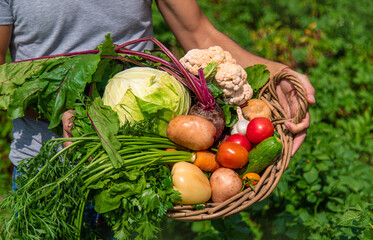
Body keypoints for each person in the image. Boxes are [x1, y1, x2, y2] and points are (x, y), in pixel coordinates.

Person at [0, 0, 314, 209]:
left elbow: (197, 32)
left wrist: (279, 73)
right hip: (47, 174)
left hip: (139, 173)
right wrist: (60, 108)